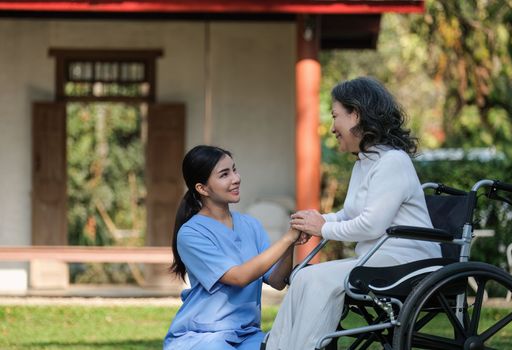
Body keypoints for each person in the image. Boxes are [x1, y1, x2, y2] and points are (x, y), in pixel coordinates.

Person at [265, 77, 442, 350]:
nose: (333, 127)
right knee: (301, 276)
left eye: (336, 116)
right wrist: (315, 220)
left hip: (408, 263)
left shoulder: (392, 161)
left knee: (315, 279)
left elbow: (370, 226)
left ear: (356, 115)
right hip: (379, 259)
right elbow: (350, 214)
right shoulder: (365, 162)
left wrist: (322, 228)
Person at [163, 145, 308, 350]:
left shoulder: (251, 225)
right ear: (202, 188)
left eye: (234, 169)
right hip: (203, 335)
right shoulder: (191, 234)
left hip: (247, 333)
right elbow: (239, 277)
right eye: (224, 174)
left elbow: (276, 281)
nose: (236, 178)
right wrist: (286, 238)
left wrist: (291, 243)